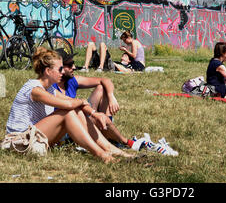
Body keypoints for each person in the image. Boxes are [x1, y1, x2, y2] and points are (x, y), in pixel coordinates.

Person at [4, 47, 133, 162]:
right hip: (19, 141)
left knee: (75, 110)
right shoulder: (34, 89)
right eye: (60, 68)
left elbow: (70, 102)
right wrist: (80, 102)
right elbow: (67, 104)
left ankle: (110, 149)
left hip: (34, 138)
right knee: (69, 112)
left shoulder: (49, 89)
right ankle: (102, 155)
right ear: (48, 71)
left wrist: (94, 113)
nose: (62, 71)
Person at [53, 48, 140, 149]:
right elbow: (70, 105)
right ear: (59, 67)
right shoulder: (51, 86)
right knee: (101, 119)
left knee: (102, 88)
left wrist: (111, 97)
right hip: (65, 129)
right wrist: (93, 113)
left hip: (77, 118)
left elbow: (105, 80)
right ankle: (126, 142)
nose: (74, 67)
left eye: (73, 63)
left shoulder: (71, 80)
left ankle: (110, 135)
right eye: (70, 64)